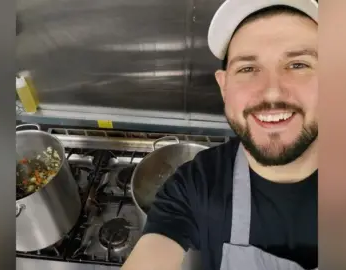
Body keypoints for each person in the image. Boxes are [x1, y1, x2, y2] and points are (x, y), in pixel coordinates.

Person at [122, 0, 318, 269]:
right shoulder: (194, 188)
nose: (272, 92)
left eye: (298, 65)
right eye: (247, 69)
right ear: (224, 86)